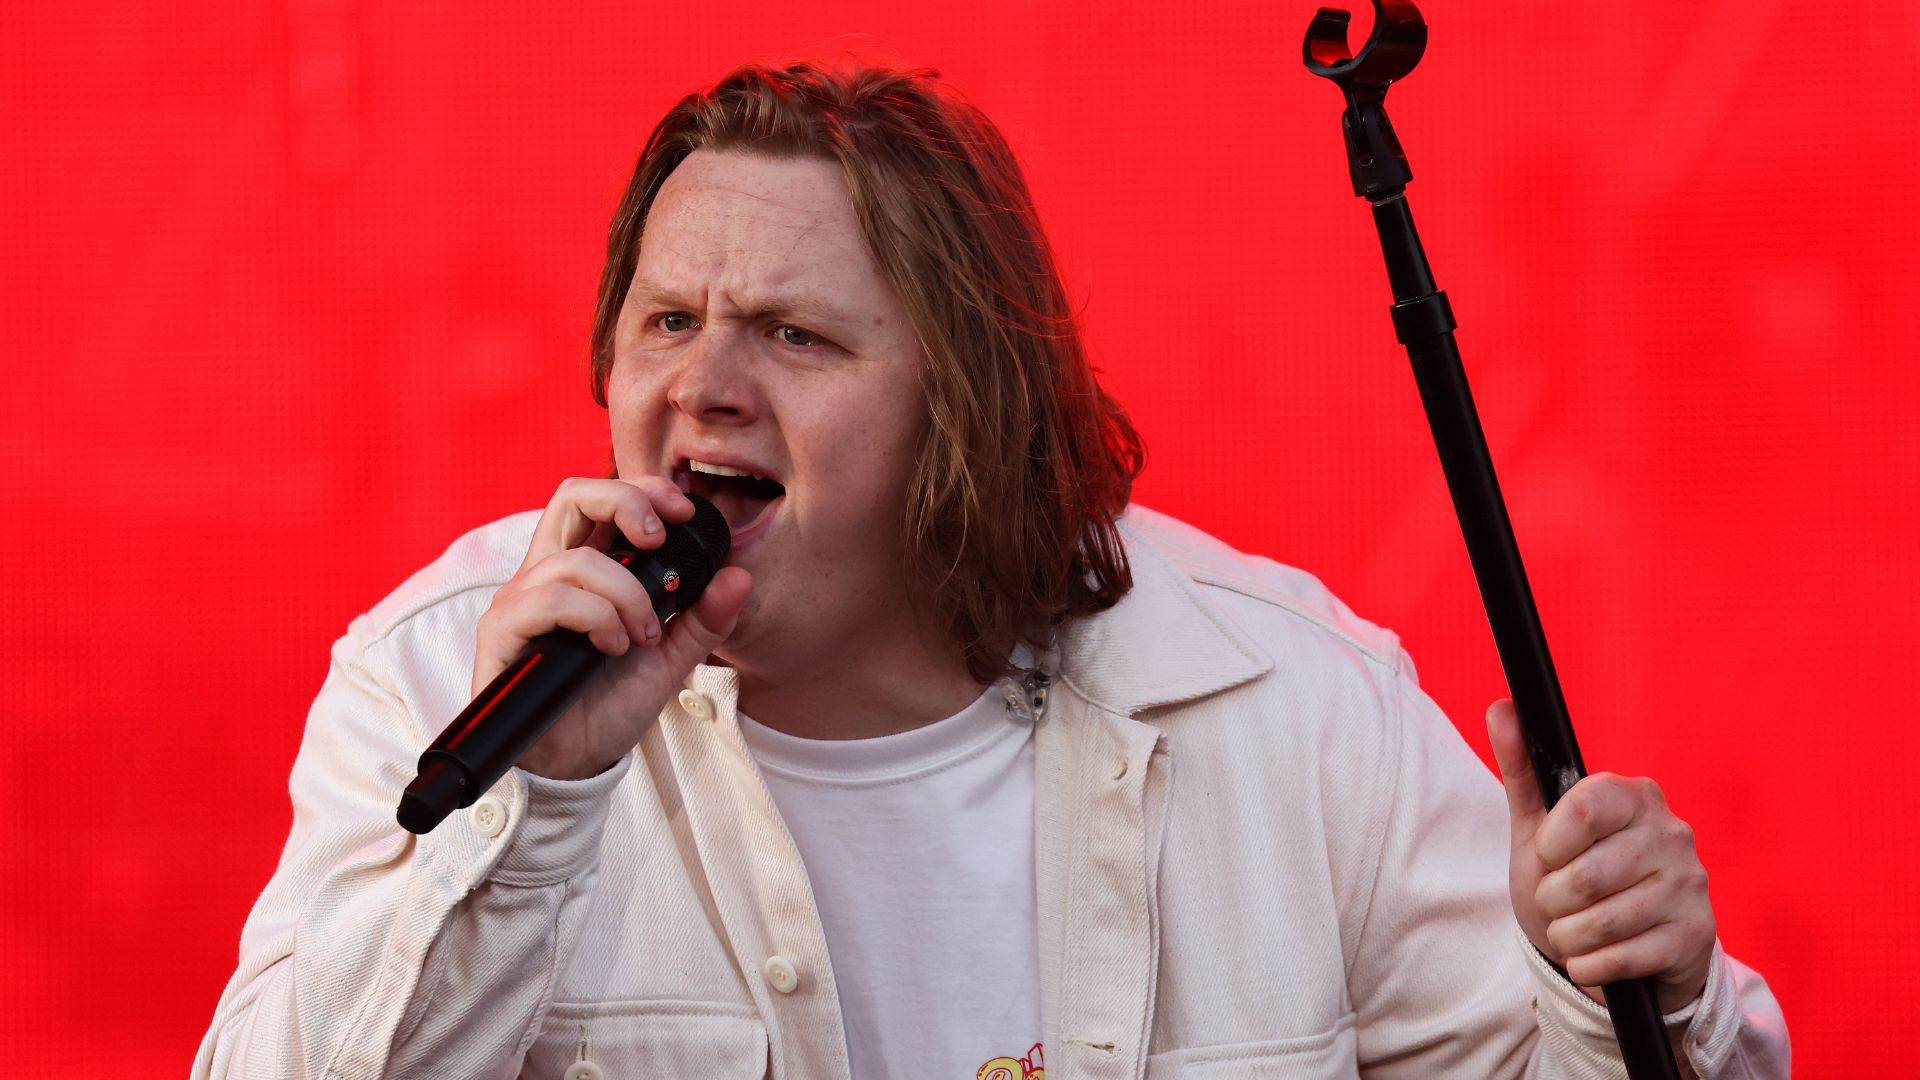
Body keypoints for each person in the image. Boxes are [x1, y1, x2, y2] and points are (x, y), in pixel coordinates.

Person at [194, 63, 1789, 1079]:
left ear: (964, 402)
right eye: (667, 321)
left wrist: (1632, 988)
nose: (704, 385)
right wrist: (532, 810)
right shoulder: (442, 680)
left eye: (794, 335)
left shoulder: (1287, 708)